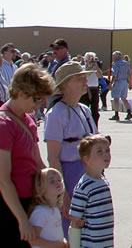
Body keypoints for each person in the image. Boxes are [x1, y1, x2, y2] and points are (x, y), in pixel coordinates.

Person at [0, 64, 56, 246]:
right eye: (37, 99)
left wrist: (53, 185)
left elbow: (37, 160)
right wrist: (22, 219)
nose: (40, 105)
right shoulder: (4, 125)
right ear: (21, 93)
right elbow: (3, 179)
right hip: (11, 206)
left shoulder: (28, 118)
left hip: (31, 199)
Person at [44, 61, 97, 235]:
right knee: (72, 229)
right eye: (79, 78)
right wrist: (63, 191)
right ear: (65, 85)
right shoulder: (56, 114)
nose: (85, 81)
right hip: (70, 175)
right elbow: (53, 157)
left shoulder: (84, 110)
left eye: (85, 77)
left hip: (90, 175)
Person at [68, 134, 113, 248]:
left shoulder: (103, 181)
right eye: (99, 151)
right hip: (91, 244)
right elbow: (75, 220)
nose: (105, 154)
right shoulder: (84, 187)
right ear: (86, 159)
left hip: (106, 241)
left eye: (107, 150)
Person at [28, 167, 66, 248]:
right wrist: (57, 245)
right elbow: (32, 240)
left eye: (59, 180)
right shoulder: (40, 212)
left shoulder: (56, 209)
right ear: (41, 187)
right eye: (52, 181)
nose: (57, 183)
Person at [107, 52, 132, 122]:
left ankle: (116, 114)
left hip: (118, 82)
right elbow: (129, 74)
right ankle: (129, 112)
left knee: (116, 99)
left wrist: (110, 83)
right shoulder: (126, 63)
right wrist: (130, 84)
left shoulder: (116, 64)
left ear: (116, 57)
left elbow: (114, 75)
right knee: (124, 98)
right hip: (125, 82)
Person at [79, 53, 102, 128]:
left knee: (95, 111)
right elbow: (84, 76)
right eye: (90, 59)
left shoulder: (95, 68)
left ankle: (95, 127)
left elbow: (100, 76)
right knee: (84, 109)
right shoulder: (82, 68)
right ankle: (85, 127)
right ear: (85, 60)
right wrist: (89, 68)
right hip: (85, 90)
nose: (91, 60)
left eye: (93, 58)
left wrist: (96, 67)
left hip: (94, 90)